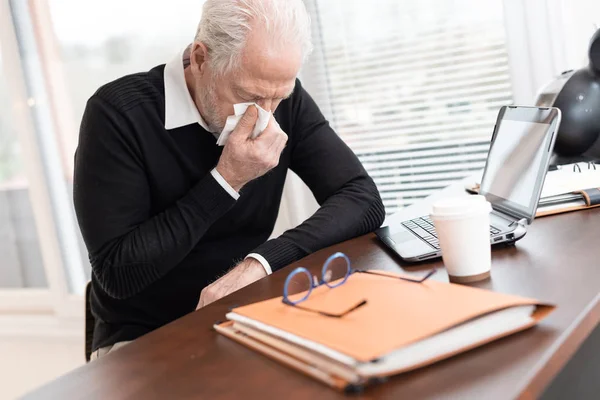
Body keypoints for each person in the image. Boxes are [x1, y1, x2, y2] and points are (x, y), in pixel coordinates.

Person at [74, 0, 385, 359]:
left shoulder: (276, 94)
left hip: (245, 314)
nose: (266, 116)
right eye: (249, 97)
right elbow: (118, 274)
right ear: (202, 58)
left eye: (278, 97)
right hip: (144, 337)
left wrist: (260, 264)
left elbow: (362, 198)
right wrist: (227, 180)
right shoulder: (119, 114)